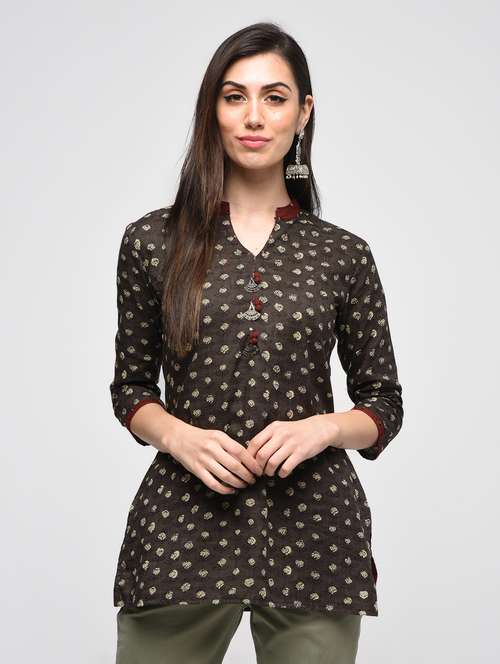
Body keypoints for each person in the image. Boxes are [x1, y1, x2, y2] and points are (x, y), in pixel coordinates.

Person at [109, 21, 404, 664]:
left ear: (303, 113)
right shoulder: (152, 242)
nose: (253, 116)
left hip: (315, 532)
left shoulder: (342, 255)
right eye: (234, 96)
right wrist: (179, 437)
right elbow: (130, 389)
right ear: (211, 109)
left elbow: (383, 404)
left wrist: (323, 428)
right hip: (182, 526)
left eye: (274, 97)